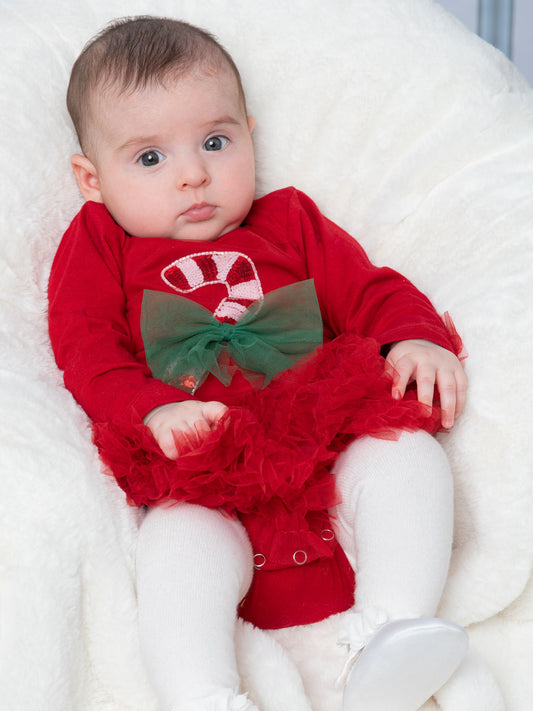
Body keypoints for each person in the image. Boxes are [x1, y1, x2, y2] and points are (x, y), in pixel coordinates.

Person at [48, 15, 469, 711]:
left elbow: (368, 288)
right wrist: (153, 409)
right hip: (201, 465)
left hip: (323, 451)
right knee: (176, 545)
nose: (193, 175)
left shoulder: (290, 221)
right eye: (149, 158)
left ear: (249, 131)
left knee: (406, 450)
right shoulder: (100, 242)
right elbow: (85, 349)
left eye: (215, 141)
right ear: (91, 179)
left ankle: (393, 633)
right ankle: (204, 693)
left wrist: (411, 337)